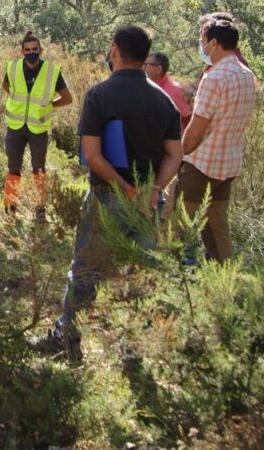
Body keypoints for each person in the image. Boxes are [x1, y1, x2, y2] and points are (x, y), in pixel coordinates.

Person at [32, 26, 182, 361]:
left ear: (114, 50)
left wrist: (125, 188)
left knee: (85, 271)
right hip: (148, 205)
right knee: (140, 275)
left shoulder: (100, 95)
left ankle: (67, 341)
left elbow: (93, 155)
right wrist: (154, 189)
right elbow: (175, 155)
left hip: (108, 198)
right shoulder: (164, 101)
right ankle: (134, 352)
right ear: (144, 57)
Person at [174, 14, 257, 263]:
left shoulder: (215, 77)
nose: (201, 45)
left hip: (202, 163)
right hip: (228, 163)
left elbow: (198, 126)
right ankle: (223, 279)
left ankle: (167, 280)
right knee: (217, 225)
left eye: (203, 40)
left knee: (176, 220)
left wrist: (178, 157)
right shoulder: (246, 75)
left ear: (214, 43)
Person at [2, 31, 73, 215]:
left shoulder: (52, 71)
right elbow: (5, 85)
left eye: (35, 49)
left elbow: (67, 98)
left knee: (39, 169)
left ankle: (40, 209)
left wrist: (50, 106)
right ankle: (10, 208)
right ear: (21, 51)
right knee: (13, 168)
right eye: (27, 50)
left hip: (38, 128)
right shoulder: (12, 67)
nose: (31, 52)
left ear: (41, 50)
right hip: (15, 127)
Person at [143, 52, 192, 130]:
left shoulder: (176, 91)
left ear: (158, 69)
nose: (143, 68)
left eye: (146, 65)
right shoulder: (146, 88)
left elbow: (189, 120)